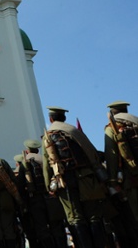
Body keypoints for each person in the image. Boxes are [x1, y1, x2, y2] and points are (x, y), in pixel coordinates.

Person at [42, 106, 108, 247]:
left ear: (51, 119)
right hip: (88, 178)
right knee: (94, 216)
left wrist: (49, 186)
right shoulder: (75, 132)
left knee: (75, 218)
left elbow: (47, 164)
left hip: (66, 181)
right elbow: (93, 153)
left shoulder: (49, 135)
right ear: (64, 118)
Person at [15, 139, 66, 248]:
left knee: (42, 229)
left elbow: (20, 185)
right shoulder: (45, 159)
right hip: (51, 196)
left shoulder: (26, 161)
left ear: (27, 150)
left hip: (35, 200)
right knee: (56, 227)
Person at [102, 100, 138, 247]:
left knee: (135, 216)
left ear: (112, 113)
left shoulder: (113, 127)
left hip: (129, 179)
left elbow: (111, 156)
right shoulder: (135, 123)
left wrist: (112, 181)